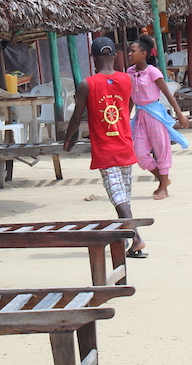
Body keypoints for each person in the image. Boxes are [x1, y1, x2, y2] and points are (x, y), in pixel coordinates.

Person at [63, 36, 147, 258]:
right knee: (124, 196)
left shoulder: (86, 84)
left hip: (105, 148)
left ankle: (136, 238)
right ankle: (131, 242)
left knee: (117, 196)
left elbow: (77, 115)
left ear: (94, 58)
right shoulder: (126, 80)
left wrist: (69, 137)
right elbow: (128, 107)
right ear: (113, 56)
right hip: (125, 144)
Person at [126, 35, 190, 200]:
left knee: (161, 150)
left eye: (133, 51)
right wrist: (125, 115)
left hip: (155, 115)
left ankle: (163, 189)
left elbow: (168, 94)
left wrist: (180, 115)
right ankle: (163, 179)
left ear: (143, 54)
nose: (129, 54)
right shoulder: (130, 72)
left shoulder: (153, 72)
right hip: (140, 116)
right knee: (139, 152)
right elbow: (132, 96)